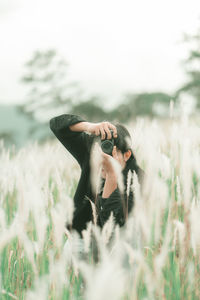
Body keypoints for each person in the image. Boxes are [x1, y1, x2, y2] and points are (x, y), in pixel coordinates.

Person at [49, 114, 145, 239]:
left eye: (112, 153)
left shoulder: (138, 180)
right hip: (79, 239)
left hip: (116, 247)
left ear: (127, 155)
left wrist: (112, 175)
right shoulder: (91, 156)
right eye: (99, 154)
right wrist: (89, 127)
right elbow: (56, 125)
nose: (103, 161)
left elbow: (110, 224)